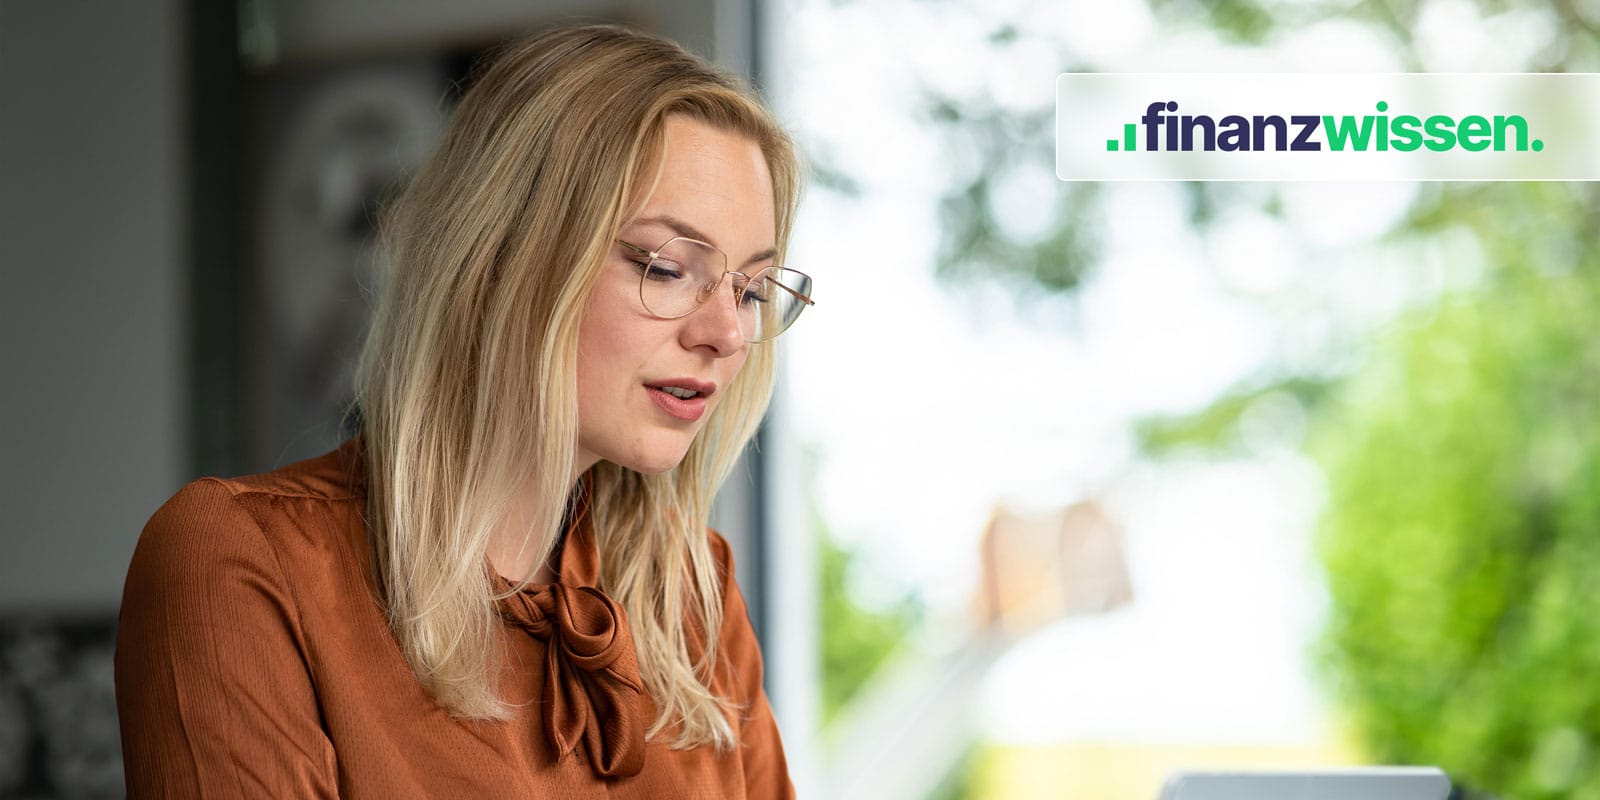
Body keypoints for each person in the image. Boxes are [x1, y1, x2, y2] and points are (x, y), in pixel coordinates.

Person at [114, 23, 813, 798]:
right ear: (505, 256)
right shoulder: (239, 566)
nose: (725, 333)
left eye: (751, 290)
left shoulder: (694, 599)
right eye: (669, 267)